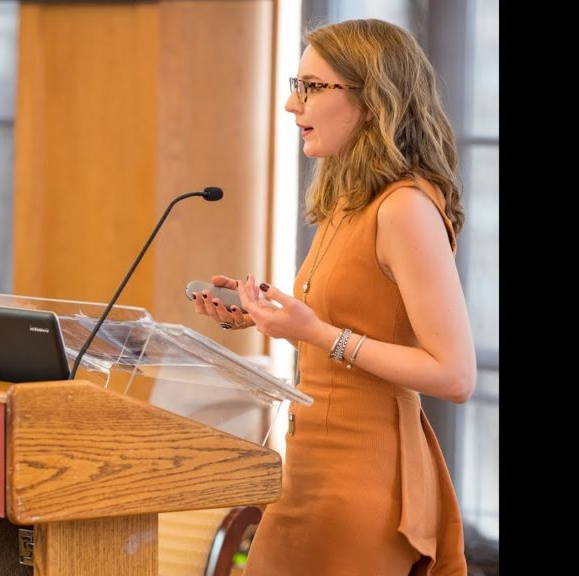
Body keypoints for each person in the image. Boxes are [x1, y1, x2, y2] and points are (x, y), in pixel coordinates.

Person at [191, 19, 476, 575]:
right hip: (308, 473)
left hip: (364, 484)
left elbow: (455, 375)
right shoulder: (348, 200)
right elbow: (356, 318)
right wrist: (265, 317)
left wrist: (317, 333)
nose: (291, 105)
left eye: (311, 87)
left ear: (373, 100)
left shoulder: (405, 208)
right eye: (295, 85)